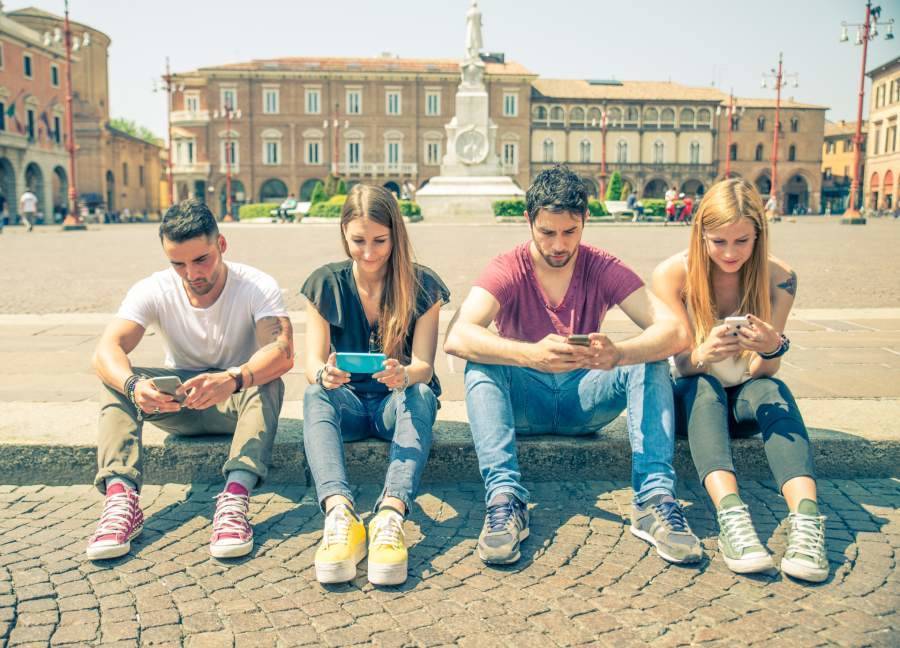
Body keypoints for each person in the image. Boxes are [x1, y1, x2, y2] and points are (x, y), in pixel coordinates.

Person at [444, 164, 701, 566]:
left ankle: (653, 499)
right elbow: (458, 336)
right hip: (524, 403)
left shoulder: (601, 265)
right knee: (481, 362)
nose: (559, 244)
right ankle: (505, 500)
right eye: (547, 232)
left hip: (586, 400)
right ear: (529, 222)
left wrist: (619, 354)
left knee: (647, 357)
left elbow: (675, 332)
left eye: (570, 232)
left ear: (584, 221)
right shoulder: (508, 266)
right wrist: (529, 354)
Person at [86, 199, 293, 561]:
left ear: (222, 245)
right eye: (177, 263)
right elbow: (107, 349)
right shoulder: (154, 288)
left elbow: (282, 352)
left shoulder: (256, 285)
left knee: (268, 379)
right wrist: (135, 387)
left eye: (202, 259)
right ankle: (121, 499)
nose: (191, 273)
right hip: (176, 402)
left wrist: (232, 378)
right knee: (115, 379)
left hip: (236, 401)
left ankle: (234, 500)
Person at [651, 178, 827, 582]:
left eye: (742, 241)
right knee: (704, 385)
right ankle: (732, 516)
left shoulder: (780, 278)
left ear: (759, 236)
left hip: (747, 396)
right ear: (700, 235)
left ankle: (806, 519)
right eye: (718, 242)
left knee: (773, 391)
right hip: (691, 399)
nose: (730, 253)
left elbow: (765, 372)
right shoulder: (673, 274)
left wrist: (770, 347)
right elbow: (679, 362)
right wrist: (703, 354)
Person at [301, 184, 449, 586]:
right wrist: (323, 374)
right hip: (347, 403)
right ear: (344, 235)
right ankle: (339, 512)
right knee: (315, 393)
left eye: (380, 241)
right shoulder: (324, 284)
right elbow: (310, 363)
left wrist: (404, 374)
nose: (369, 253)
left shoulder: (424, 287)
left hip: (394, 405)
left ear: (396, 235)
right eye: (358, 241)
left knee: (420, 393)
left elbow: (424, 366)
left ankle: (391, 513)